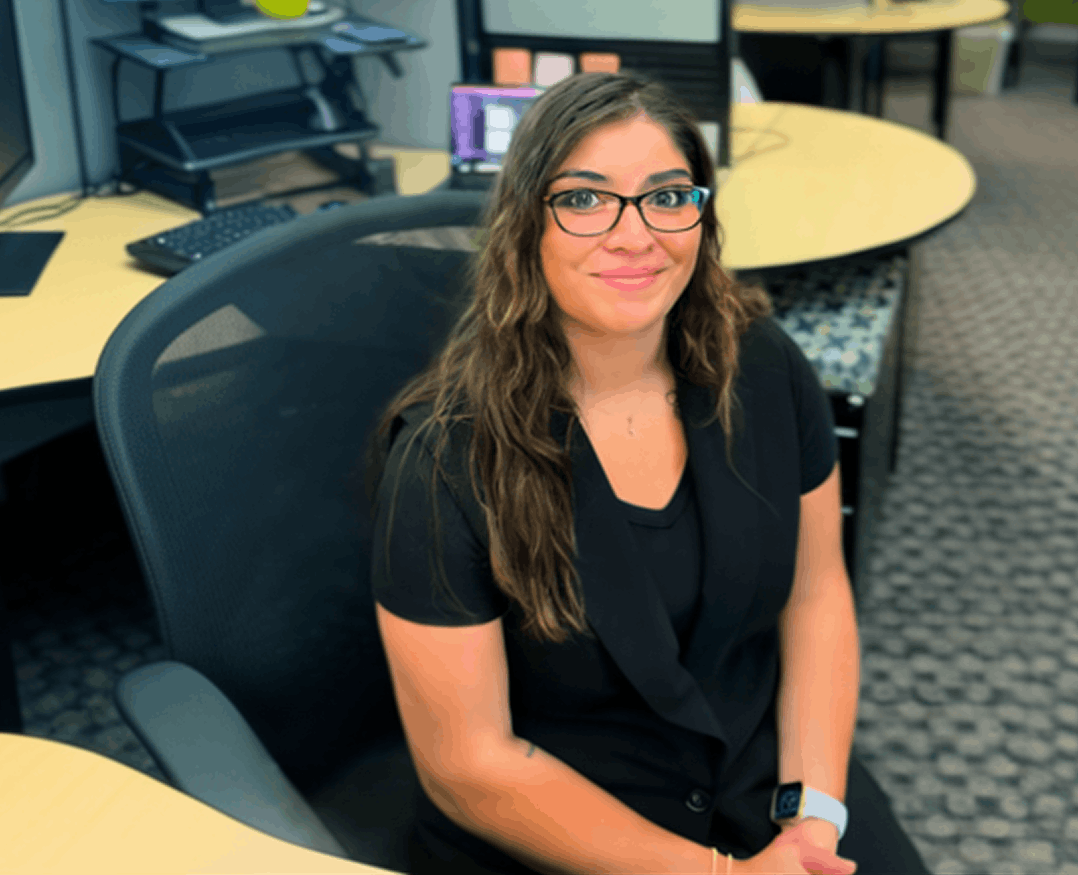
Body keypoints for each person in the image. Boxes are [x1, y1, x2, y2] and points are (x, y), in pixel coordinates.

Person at [363, 71, 930, 875]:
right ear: (526, 225)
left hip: (759, 780)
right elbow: (469, 765)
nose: (636, 235)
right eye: (586, 199)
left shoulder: (763, 366)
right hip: (570, 827)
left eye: (667, 196)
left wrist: (814, 812)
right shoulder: (445, 460)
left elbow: (814, 594)